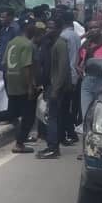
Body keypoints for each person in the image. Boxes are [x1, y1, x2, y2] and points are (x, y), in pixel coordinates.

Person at [37, 20, 71, 159]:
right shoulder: (51, 43)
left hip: (56, 86)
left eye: (51, 28)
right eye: (47, 28)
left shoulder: (60, 44)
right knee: (53, 116)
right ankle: (53, 145)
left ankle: (53, 148)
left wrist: (56, 89)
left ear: (58, 29)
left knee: (52, 117)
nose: (48, 30)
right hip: (52, 85)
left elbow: (63, 68)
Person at [4, 22, 38, 154]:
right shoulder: (27, 44)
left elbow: (4, 63)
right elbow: (26, 66)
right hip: (22, 82)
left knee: (13, 112)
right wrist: (30, 86)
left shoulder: (11, 42)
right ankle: (19, 143)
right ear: (29, 31)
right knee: (28, 116)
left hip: (11, 80)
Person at [58, 11, 81, 145]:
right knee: (67, 107)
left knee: (63, 108)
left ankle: (66, 134)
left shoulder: (63, 36)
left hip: (67, 75)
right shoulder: (75, 35)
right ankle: (70, 133)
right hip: (74, 74)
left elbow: (64, 60)